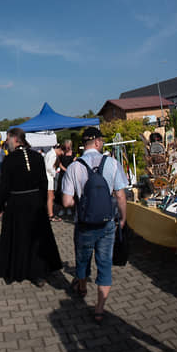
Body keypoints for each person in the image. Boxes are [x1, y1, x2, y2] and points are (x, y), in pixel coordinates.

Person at [61, 127, 128, 325]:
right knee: (105, 263)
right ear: (98, 143)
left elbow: (65, 202)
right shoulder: (113, 163)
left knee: (82, 260)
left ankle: (82, 287)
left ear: (84, 144)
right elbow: (121, 195)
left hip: (84, 224)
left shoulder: (74, 166)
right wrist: (122, 219)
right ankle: (99, 308)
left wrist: (81, 203)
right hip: (108, 222)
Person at [0, 127, 63, 286]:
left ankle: (17, 270)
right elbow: (44, 182)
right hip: (35, 203)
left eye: (9, 139)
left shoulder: (10, 160)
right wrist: (43, 200)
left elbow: (3, 186)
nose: (7, 142)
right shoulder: (37, 157)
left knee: (18, 237)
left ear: (16, 139)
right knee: (36, 238)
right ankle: (38, 273)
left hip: (16, 205)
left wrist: (0, 206)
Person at [44, 144, 64, 222]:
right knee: (50, 197)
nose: (61, 154)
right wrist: (54, 173)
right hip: (49, 178)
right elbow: (49, 167)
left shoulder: (49, 153)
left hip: (48, 177)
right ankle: (50, 215)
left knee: (50, 197)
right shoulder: (53, 155)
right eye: (62, 152)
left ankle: (50, 213)